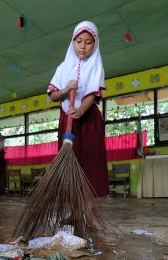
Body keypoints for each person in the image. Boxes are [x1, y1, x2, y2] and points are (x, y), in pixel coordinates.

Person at [47, 20, 109, 197]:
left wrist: (81, 111)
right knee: (68, 166)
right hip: (67, 120)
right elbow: (52, 95)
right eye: (79, 41)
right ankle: (72, 212)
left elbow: (92, 94)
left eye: (88, 42)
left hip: (88, 121)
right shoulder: (63, 67)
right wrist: (66, 89)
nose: (83, 46)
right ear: (72, 42)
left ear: (95, 44)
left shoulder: (96, 66)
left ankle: (87, 215)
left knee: (89, 165)